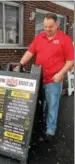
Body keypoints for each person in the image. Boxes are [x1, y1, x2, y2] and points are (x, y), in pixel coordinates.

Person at [14, 13, 74, 142]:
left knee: (52, 105)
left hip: (54, 79)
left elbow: (70, 61)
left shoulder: (65, 39)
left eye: (50, 26)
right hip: (38, 78)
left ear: (57, 24)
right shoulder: (39, 37)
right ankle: (39, 127)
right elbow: (29, 52)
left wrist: (61, 73)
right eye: (45, 26)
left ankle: (50, 131)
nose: (47, 29)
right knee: (39, 105)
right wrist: (21, 64)